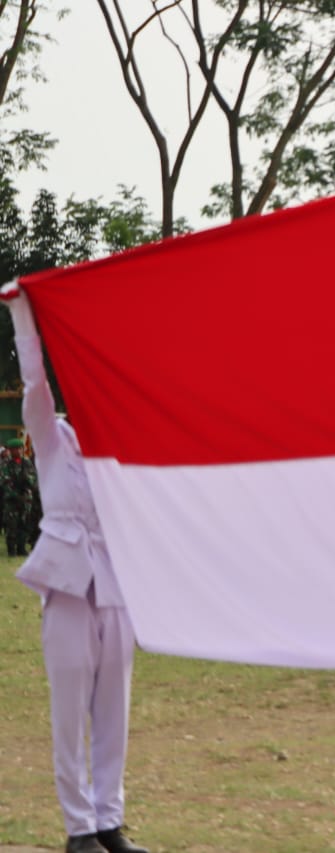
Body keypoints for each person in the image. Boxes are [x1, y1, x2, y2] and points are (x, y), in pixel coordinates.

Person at [0, 283, 150, 853]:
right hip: (64, 581)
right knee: (70, 713)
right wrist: (22, 315)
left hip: (115, 582)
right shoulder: (51, 436)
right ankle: (78, 829)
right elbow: (34, 385)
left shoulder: (121, 438)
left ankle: (109, 821)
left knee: (114, 707)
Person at [2, 435, 35, 556]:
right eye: (14, 449)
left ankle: (21, 548)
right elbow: (5, 482)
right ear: (10, 450)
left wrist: (27, 487)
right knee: (11, 525)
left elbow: (33, 479)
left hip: (26, 499)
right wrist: (16, 495)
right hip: (11, 500)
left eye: (19, 448)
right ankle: (11, 550)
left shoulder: (27, 462)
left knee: (24, 524)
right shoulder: (5, 464)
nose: (17, 451)